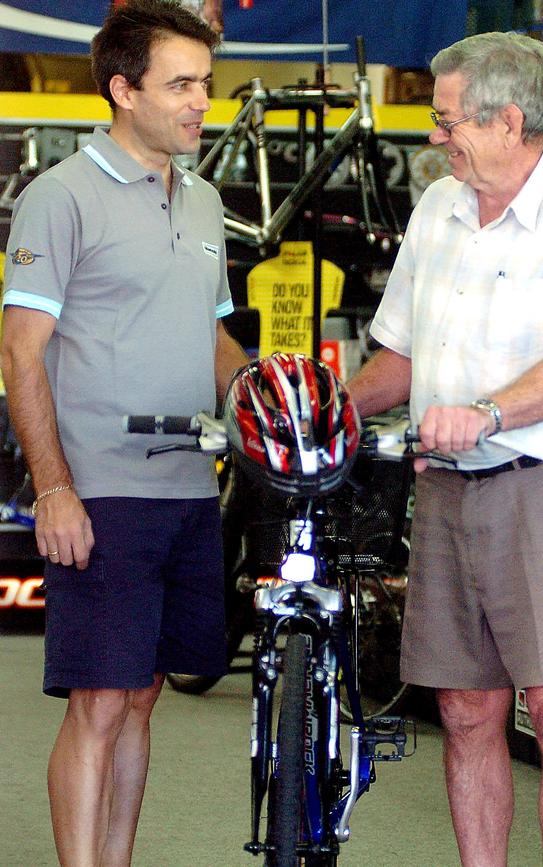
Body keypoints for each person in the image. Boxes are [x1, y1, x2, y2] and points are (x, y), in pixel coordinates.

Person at [347, 31, 543, 867]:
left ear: (508, 120)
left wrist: (485, 411)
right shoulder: (440, 208)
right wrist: (333, 404)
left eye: (448, 122)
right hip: (444, 491)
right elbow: (401, 354)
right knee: (466, 710)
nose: (436, 139)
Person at [1, 2, 249, 864]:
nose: (199, 103)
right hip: (101, 493)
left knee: (142, 695)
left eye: (206, 85)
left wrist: (261, 390)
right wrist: (55, 487)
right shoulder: (58, 198)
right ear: (122, 90)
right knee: (100, 703)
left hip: (188, 491)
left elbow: (213, 332)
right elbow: (21, 352)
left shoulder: (209, 200)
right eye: (180, 84)